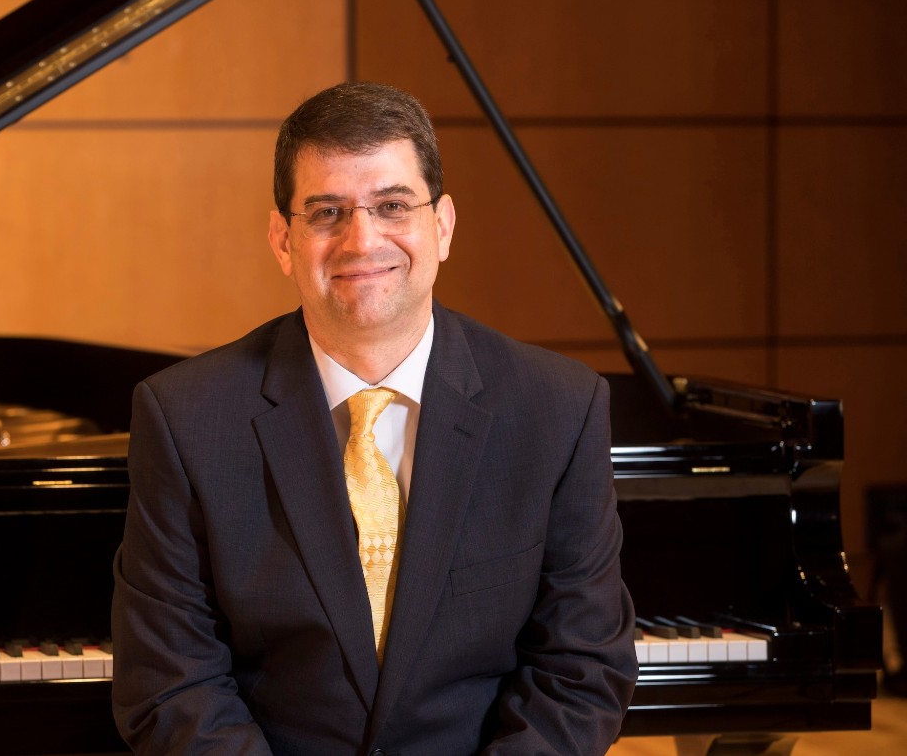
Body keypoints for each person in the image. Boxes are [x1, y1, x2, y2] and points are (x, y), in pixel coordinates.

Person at [111, 81, 637, 755]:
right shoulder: (185, 417)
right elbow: (171, 682)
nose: (362, 240)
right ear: (283, 239)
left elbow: (581, 669)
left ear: (442, 226)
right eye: (328, 211)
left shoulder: (559, 408)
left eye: (392, 205)